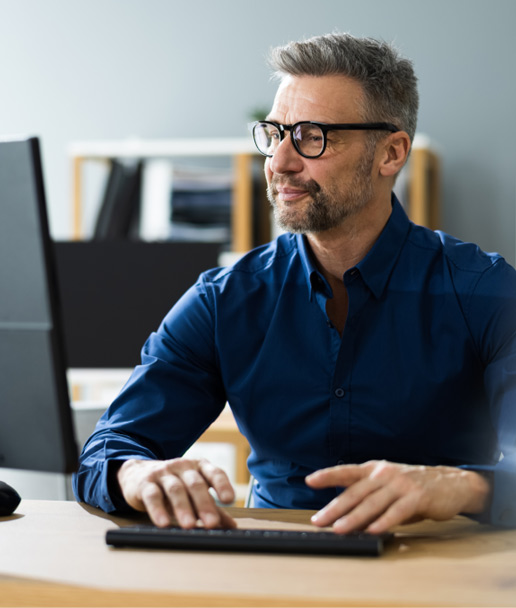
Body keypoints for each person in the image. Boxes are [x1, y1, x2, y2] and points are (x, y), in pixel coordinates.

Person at [72, 33, 516, 534]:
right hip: (270, 569)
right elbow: (107, 451)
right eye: (274, 133)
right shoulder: (224, 300)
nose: (279, 162)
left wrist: (459, 486)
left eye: (311, 136)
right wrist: (138, 473)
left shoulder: (486, 292)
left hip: (435, 574)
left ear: (390, 154)